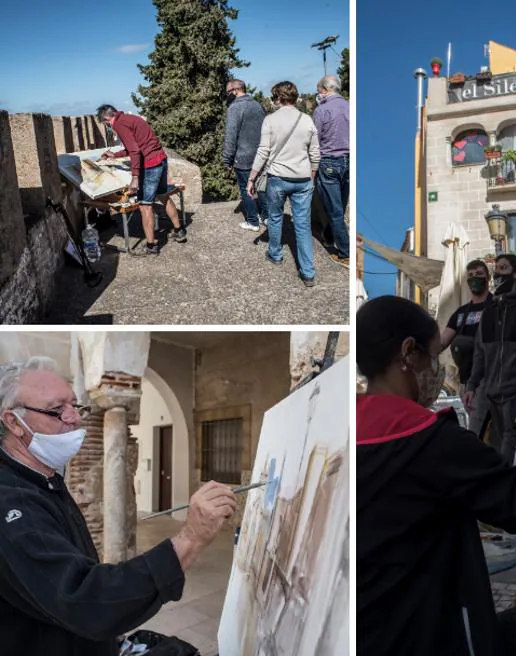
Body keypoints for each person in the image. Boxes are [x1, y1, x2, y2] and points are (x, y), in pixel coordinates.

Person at [356, 295, 516, 656]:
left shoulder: (340, 435)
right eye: (434, 357)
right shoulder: (432, 443)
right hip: (428, 638)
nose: (438, 370)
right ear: (407, 353)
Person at [0, 357, 236, 655]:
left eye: (75, 405)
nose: (75, 417)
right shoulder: (11, 504)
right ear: (13, 422)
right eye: (57, 410)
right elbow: (84, 600)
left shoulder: (44, 478)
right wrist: (190, 538)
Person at [247, 81, 321, 287]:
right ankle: (307, 272)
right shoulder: (307, 120)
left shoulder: (270, 120)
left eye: (274, 98)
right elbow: (315, 153)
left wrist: (252, 178)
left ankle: (275, 254)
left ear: (278, 97)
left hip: (278, 178)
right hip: (303, 178)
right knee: (303, 225)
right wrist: (312, 174)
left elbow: (263, 151)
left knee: (275, 217)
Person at [464, 254, 516, 465]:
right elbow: (480, 354)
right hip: (492, 395)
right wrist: (471, 385)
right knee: (494, 446)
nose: (497, 274)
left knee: (509, 450)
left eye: (503, 268)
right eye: (496, 269)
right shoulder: (488, 313)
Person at [97, 105, 188, 256]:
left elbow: (134, 151)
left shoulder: (119, 124)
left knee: (145, 207)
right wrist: (116, 155)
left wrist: (135, 177)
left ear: (107, 119)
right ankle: (180, 231)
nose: (108, 127)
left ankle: (151, 246)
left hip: (151, 165)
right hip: (160, 159)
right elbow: (136, 146)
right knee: (163, 196)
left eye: (105, 124)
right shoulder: (131, 119)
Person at [441, 259, 493, 434]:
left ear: (488, 277)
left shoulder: (497, 307)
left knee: (478, 428)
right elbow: (442, 342)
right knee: (476, 424)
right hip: (466, 381)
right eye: (470, 275)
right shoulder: (461, 313)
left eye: (479, 274)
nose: (475, 278)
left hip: (490, 378)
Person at [313, 75, 350, 267]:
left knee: (335, 211)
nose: (319, 94)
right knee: (340, 207)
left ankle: (345, 253)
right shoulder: (350, 106)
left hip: (329, 162)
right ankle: (329, 235)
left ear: (325, 90)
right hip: (348, 162)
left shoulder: (322, 110)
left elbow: (314, 140)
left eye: (319, 91)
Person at [223, 78, 268, 232]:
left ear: (234, 91)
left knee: (245, 189)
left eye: (228, 92)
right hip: (261, 155)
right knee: (261, 188)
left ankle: (253, 221)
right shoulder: (257, 105)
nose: (227, 95)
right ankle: (266, 216)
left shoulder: (234, 108)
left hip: (243, 156)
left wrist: (227, 159)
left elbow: (231, 136)